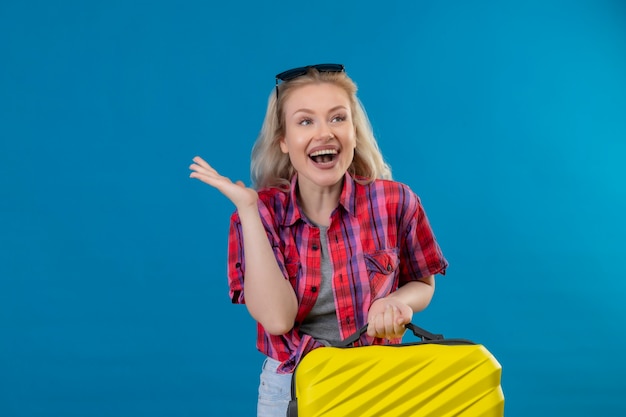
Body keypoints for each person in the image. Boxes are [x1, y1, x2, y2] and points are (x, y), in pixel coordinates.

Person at [189, 64, 448, 417]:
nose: (324, 133)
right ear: (283, 140)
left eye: (338, 118)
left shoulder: (397, 201)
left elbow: (422, 282)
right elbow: (278, 321)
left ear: (354, 132)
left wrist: (396, 303)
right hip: (294, 388)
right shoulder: (259, 214)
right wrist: (249, 211)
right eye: (305, 121)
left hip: (380, 381)